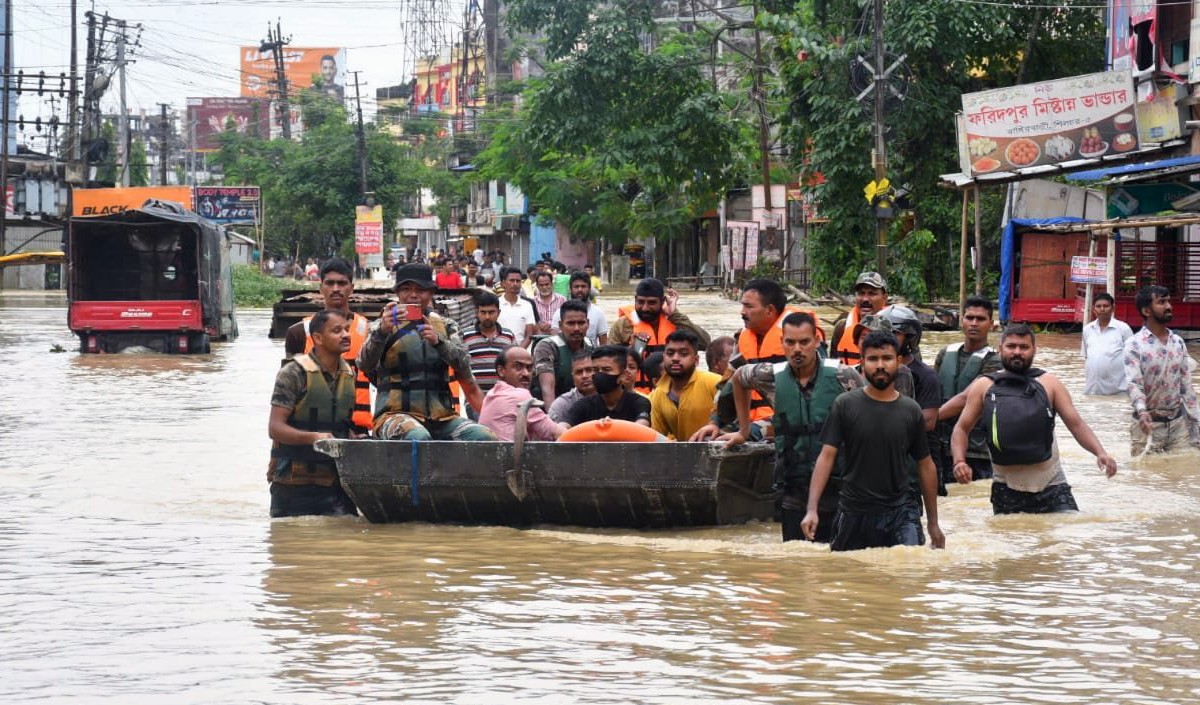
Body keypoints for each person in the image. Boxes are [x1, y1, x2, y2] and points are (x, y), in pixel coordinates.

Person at [721, 312, 862, 541]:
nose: (797, 349)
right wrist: (743, 431)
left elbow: (867, 417)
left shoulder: (843, 376)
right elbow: (739, 378)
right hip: (792, 486)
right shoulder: (770, 375)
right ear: (782, 343)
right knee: (795, 557)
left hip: (838, 487)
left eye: (804, 342)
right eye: (790, 342)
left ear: (817, 341)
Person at [952, 324, 1118, 514]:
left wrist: (1100, 452)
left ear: (1034, 351)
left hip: (1052, 486)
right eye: (1011, 346)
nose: (1017, 352)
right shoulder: (984, 385)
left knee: (1064, 538)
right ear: (1000, 349)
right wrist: (959, 461)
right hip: (1006, 488)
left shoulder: (1049, 383)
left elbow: (1076, 424)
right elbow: (962, 428)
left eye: (1024, 347)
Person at [802, 331, 944, 551]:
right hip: (854, 511)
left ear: (898, 361)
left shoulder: (911, 410)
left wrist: (933, 524)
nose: (880, 365)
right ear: (861, 362)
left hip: (901, 511)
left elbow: (925, 465)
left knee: (911, 571)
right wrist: (812, 509)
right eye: (872, 359)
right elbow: (826, 456)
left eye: (886, 358)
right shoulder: (845, 405)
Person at [357, 264, 495, 441]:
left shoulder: (447, 326)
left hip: (443, 418)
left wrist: (439, 342)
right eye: (406, 289)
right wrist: (382, 332)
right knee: (418, 437)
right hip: (393, 415)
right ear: (397, 293)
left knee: (485, 437)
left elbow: (463, 364)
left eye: (421, 290)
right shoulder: (379, 326)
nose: (413, 295)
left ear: (431, 293)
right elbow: (364, 363)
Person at [267, 309, 359, 517]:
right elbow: (275, 428)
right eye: (337, 331)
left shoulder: (348, 373)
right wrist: (314, 438)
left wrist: (354, 438)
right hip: (294, 484)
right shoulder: (292, 373)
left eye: (346, 329)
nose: (345, 335)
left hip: (336, 482)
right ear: (317, 338)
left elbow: (341, 423)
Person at [284, 258, 374, 434]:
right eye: (330, 283)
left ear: (351, 288)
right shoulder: (298, 333)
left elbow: (383, 384)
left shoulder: (370, 333)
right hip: (309, 430)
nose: (336, 289)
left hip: (357, 430)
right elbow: (286, 393)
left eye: (342, 283)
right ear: (321, 288)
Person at [735, 278, 827, 425]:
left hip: (789, 419)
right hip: (749, 419)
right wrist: (716, 421)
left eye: (749, 307)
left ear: (770, 310)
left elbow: (822, 386)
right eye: (743, 306)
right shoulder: (743, 338)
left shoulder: (803, 336)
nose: (743, 312)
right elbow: (730, 382)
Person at [1124, 285, 1200, 455]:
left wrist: (1196, 422)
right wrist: (1142, 411)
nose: (1169, 306)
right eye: (1161, 302)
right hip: (1147, 425)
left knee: (1180, 474)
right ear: (1146, 310)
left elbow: (1186, 387)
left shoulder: (1178, 342)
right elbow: (1134, 384)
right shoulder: (1134, 344)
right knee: (1146, 477)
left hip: (1177, 425)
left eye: (1168, 301)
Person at [935, 296, 1001, 483]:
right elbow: (934, 392)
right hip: (942, 445)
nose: (974, 323)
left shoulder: (995, 361)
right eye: (969, 318)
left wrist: (929, 419)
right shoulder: (945, 353)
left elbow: (968, 398)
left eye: (980, 319)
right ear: (962, 320)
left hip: (977, 451)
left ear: (991, 324)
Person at [879, 304, 944, 493]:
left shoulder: (926, 376)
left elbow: (929, 422)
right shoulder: (872, 371)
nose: (888, 338)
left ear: (909, 338)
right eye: (883, 331)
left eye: (894, 333)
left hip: (918, 461)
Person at [610, 278, 711, 393]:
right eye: (640, 302)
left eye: (652, 303)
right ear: (635, 300)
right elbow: (608, 364)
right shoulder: (622, 326)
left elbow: (706, 343)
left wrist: (675, 314)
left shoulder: (676, 321)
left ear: (662, 301)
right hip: (635, 395)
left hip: (674, 393)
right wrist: (631, 350)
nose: (645, 308)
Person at [478, 346, 567, 441]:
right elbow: (555, 433)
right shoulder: (519, 395)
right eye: (518, 367)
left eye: (529, 368)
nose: (526, 373)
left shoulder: (492, 394)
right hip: (509, 455)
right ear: (501, 371)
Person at [649, 330, 721, 441]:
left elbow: (733, 422)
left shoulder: (714, 383)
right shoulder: (658, 394)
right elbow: (657, 435)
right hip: (682, 454)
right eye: (670, 353)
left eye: (684, 354)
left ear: (696, 360)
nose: (675, 358)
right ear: (664, 357)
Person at [564, 346, 652, 427]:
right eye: (595, 370)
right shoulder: (583, 405)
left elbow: (642, 426)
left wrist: (611, 427)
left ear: (623, 375)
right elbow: (563, 428)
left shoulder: (639, 403)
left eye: (606, 369)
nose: (599, 374)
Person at [532, 300, 594, 402]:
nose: (577, 328)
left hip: (580, 402)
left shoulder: (591, 345)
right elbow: (547, 389)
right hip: (550, 403)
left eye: (581, 323)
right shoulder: (547, 347)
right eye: (571, 323)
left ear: (588, 323)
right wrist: (552, 416)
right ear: (560, 325)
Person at [462, 291, 516, 398]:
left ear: (498, 313)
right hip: (475, 398)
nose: (487, 317)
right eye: (483, 312)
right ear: (477, 312)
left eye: (491, 312)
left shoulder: (508, 336)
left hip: (503, 397)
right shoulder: (465, 336)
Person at [1080, 292, 1134, 395]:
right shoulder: (1087, 329)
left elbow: (1133, 359)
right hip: (1092, 391)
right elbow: (1087, 357)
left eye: (1106, 306)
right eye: (1098, 306)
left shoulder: (1123, 329)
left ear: (1113, 308)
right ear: (1093, 309)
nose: (1102, 309)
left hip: (1118, 393)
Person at [831, 271, 889, 364]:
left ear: (885, 297)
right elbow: (832, 368)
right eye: (861, 293)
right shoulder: (841, 328)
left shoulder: (896, 329)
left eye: (872, 293)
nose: (865, 299)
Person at [552, 272, 608, 344]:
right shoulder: (559, 313)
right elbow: (555, 341)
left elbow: (604, 344)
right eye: (576, 286)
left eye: (583, 286)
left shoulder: (598, 313)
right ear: (570, 289)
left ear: (589, 289)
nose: (580, 290)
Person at [548, 351, 597, 423]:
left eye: (589, 370)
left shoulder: (610, 397)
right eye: (579, 372)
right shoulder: (562, 405)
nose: (584, 376)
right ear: (572, 377)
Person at [496, 267, 537, 349]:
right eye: (511, 280)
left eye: (518, 281)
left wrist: (518, 351)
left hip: (520, 351)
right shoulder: (496, 304)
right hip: (498, 351)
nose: (515, 284)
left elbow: (530, 333)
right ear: (503, 283)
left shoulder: (527, 305)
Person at [531, 270, 567, 334]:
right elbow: (530, 322)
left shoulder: (562, 300)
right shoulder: (532, 302)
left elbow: (566, 319)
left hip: (558, 337)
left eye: (547, 284)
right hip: (538, 337)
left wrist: (552, 326)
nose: (544, 287)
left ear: (552, 284)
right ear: (537, 285)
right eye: (541, 285)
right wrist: (539, 325)